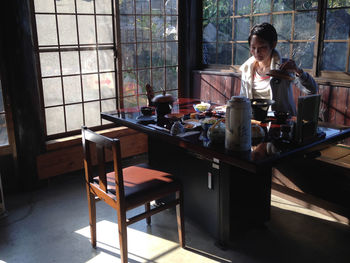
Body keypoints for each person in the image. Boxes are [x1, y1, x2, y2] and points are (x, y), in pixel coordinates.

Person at [239, 23, 318, 116]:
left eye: (262, 47)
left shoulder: (284, 67)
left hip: (280, 124)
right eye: (253, 47)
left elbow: (312, 90)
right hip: (254, 123)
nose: (256, 52)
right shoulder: (247, 69)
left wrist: (298, 70)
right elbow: (243, 98)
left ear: (273, 44)